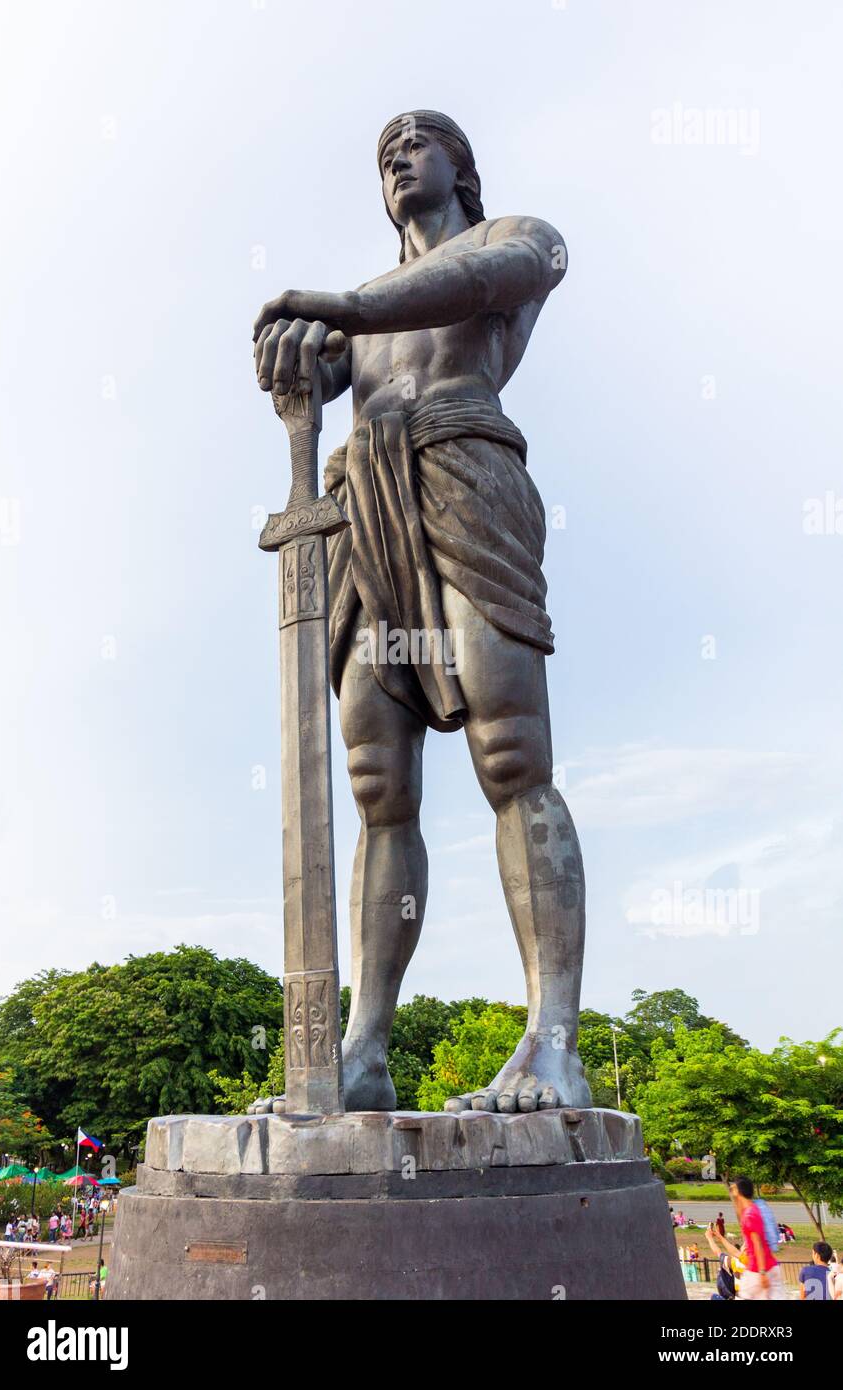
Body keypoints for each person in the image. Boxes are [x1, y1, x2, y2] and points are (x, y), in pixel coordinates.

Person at [249, 110, 590, 1116]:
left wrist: (341, 306)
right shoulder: (358, 324)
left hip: (463, 473)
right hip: (365, 509)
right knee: (375, 781)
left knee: (511, 753)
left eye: (415, 144)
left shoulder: (510, 240)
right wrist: (296, 374)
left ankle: (551, 1040)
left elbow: (496, 276)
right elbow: (314, 385)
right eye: (383, 154)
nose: (396, 160)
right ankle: (360, 1050)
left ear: (459, 166)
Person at [714, 1177, 785, 1300]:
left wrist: (762, 1273)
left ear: (739, 1191)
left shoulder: (749, 1216)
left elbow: (758, 1245)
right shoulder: (755, 1208)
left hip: (756, 1270)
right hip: (770, 1266)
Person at [706, 1223, 743, 1300]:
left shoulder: (738, 1263)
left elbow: (718, 1252)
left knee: (714, 1297)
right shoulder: (755, 1263)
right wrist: (719, 1236)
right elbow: (736, 1252)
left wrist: (710, 1237)